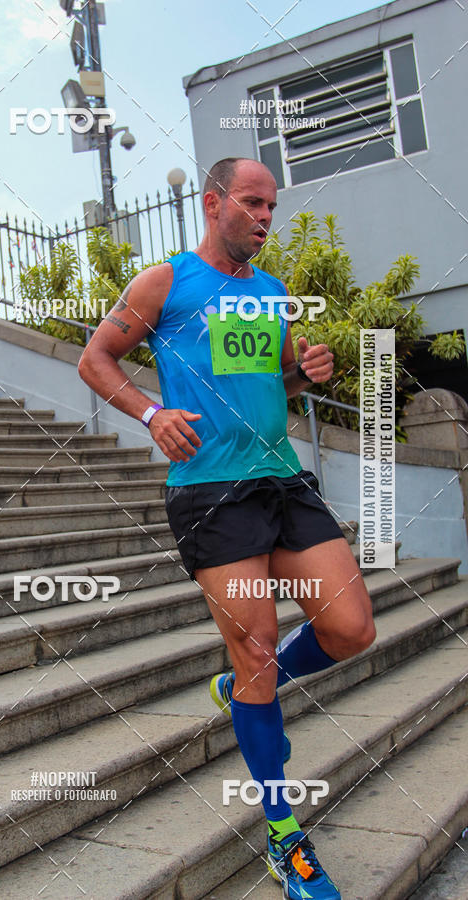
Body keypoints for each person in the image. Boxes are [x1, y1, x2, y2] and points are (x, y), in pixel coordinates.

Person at [78, 157, 376, 900]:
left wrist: (308, 371)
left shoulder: (271, 293)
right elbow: (95, 358)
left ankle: (242, 690)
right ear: (213, 204)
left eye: (271, 206)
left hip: (282, 479)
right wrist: (152, 413)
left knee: (351, 629)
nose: (266, 217)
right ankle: (283, 834)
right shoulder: (166, 282)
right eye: (252, 203)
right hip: (211, 492)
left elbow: (278, 381)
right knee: (259, 650)